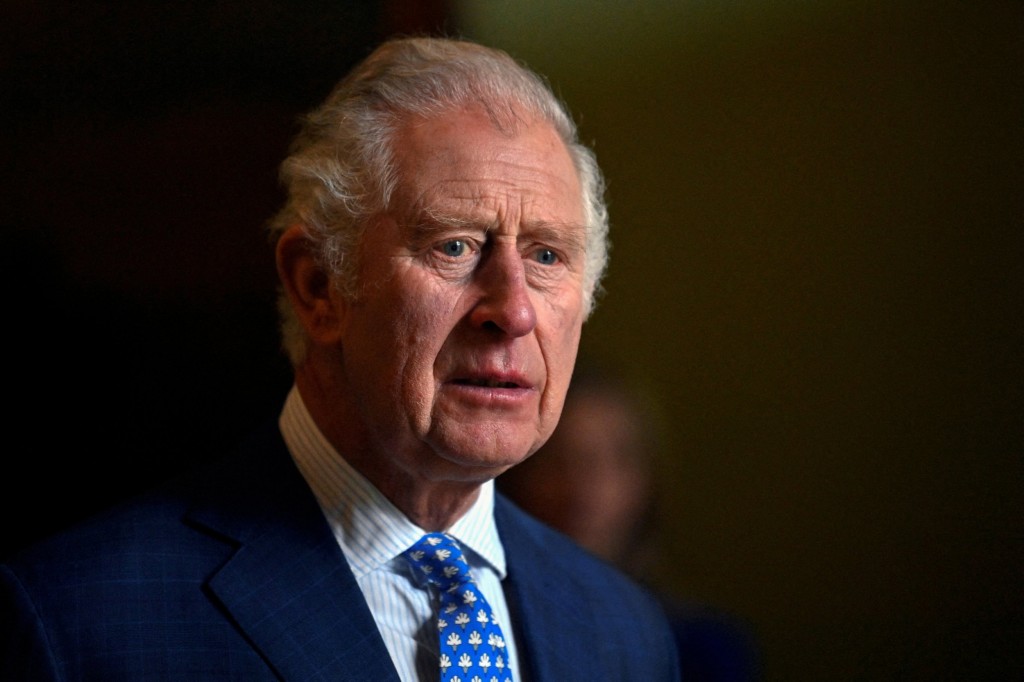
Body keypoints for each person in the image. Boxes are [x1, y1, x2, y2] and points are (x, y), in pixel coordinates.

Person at [0, 37, 681, 681]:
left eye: (545, 256)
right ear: (318, 284)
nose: (514, 310)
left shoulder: (623, 629)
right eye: (455, 246)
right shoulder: (74, 623)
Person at [499, 361, 761, 681]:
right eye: (556, 458)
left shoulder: (701, 649)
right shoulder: (483, 635)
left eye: (617, 457)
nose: (586, 488)